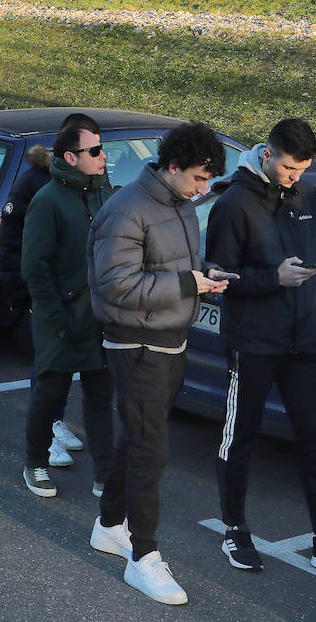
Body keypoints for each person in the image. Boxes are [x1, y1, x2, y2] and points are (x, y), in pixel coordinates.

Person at [206, 118, 316, 577]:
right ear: (266, 155)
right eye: (287, 167)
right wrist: (271, 279)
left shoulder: (309, 196)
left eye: (301, 169)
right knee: (239, 439)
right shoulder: (234, 202)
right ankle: (234, 529)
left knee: (314, 443)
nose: (293, 176)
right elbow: (216, 279)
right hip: (254, 342)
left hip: (304, 342)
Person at [87, 122, 229, 606]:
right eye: (198, 179)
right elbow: (116, 286)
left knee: (137, 437)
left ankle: (109, 526)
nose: (203, 190)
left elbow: (168, 267)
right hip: (136, 344)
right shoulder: (126, 209)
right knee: (151, 450)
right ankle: (143, 558)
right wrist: (191, 283)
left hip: (170, 339)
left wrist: (203, 274)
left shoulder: (179, 203)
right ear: (172, 167)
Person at [1, 113, 108, 467]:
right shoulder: (47, 198)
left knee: (99, 397)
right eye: (94, 150)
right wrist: (56, 317)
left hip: (98, 316)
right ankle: (37, 461)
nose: (103, 156)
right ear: (70, 157)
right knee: (49, 391)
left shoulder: (101, 192)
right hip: (61, 317)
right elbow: (35, 266)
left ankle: (104, 475)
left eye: (101, 148)